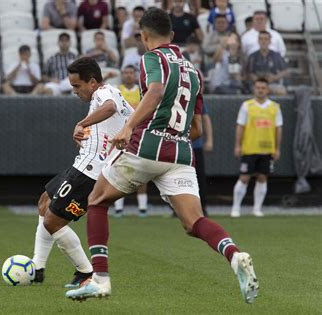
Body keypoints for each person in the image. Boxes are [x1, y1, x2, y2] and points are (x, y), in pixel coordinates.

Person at [65, 8, 259, 304]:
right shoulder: (194, 72)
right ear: (172, 34)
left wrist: (130, 127)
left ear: (144, 35)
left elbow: (155, 91)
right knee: (194, 222)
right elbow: (195, 127)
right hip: (180, 154)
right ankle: (234, 254)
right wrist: (172, 140)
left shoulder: (151, 58)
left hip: (145, 147)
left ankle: (100, 279)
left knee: (96, 201)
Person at [32, 57, 133, 288]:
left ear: (93, 82)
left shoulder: (105, 92)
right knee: (44, 201)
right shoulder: (103, 95)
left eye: (77, 86)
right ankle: (37, 267)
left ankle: (85, 271)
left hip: (90, 174)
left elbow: (110, 108)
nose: (74, 91)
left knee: (52, 221)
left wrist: (82, 124)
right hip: (82, 165)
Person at [231, 78, 283, 218]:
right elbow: (240, 126)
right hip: (249, 148)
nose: (260, 90)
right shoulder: (247, 106)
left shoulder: (275, 107)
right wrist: (238, 145)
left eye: (263, 87)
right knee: (244, 177)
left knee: (262, 177)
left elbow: (278, 129)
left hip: (267, 149)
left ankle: (257, 208)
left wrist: (277, 148)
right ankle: (235, 208)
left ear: (268, 89)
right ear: (254, 89)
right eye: (258, 87)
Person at [114, 65, 148, 217]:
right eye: (126, 73)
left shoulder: (142, 91)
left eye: (131, 73)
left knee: (141, 171)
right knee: (116, 170)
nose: (128, 75)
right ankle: (118, 208)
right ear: (122, 75)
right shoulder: (116, 90)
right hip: (120, 136)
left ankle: (142, 208)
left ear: (135, 75)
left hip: (138, 136)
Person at [247, 31, 288, 95]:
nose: (263, 41)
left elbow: (284, 71)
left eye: (266, 39)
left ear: (270, 41)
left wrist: (275, 77)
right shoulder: (252, 56)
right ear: (258, 41)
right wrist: (261, 82)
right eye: (261, 39)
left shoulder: (276, 56)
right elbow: (250, 73)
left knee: (281, 91)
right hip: (257, 85)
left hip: (273, 83)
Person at [192, 103, 213, 217]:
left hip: (194, 145)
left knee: (199, 177)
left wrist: (209, 140)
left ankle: (202, 207)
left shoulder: (197, 98)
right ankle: (177, 208)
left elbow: (205, 119)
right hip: (179, 145)